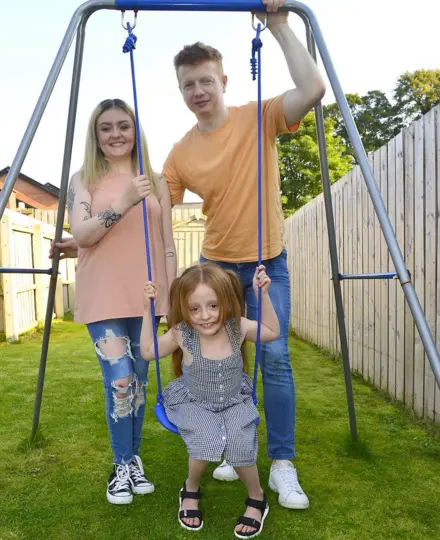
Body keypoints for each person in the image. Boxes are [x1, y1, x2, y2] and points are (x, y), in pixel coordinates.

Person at [161, 0, 325, 509]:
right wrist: (87, 236)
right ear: (181, 90)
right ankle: (232, 445)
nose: (197, 91)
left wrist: (278, 27)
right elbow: (151, 212)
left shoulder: (260, 115)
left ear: (225, 79)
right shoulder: (181, 151)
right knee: (223, 362)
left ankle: (281, 463)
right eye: (188, 84)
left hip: (263, 263)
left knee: (274, 359)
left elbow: (314, 90)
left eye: (205, 80)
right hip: (215, 269)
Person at [66, 98, 177, 505]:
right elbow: (82, 234)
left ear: (135, 131)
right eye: (106, 127)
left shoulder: (156, 180)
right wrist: (124, 200)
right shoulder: (84, 179)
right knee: (120, 381)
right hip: (103, 294)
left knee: (141, 384)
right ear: (96, 136)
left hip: (146, 295)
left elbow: (167, 245)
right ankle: (121, 465)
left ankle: (133, 461)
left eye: (123, 126)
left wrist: (170, 297)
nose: (116, 135)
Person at [140, 262, 279, 538]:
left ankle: (257, 497)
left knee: (240, 444)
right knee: (205, 440)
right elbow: (147, 351)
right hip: (194, 401)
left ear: (227, 302)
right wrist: (147, 310)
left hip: (233, 400)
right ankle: (190, 489)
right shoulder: (182, 333)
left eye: (213, 306)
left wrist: (263, 296)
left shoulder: (236, 327)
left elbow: (271, 332)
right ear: (185, 308)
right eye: (195, 309)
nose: (205, 316)